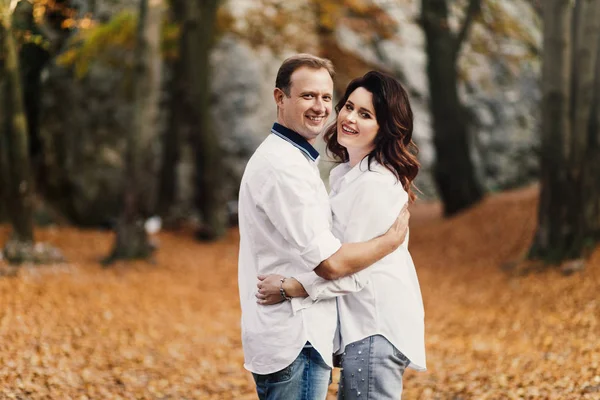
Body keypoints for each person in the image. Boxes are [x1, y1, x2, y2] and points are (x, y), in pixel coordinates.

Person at [238, 55, 411, 400]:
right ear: (279, 98)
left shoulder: (305, 164)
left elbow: (351, 267)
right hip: (294, 337)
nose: (321, 107)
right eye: (307, 96)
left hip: (309, 336)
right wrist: (389, 242)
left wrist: (292, 286)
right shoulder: (284, 168)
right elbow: (332, 263)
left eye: (327, 97)